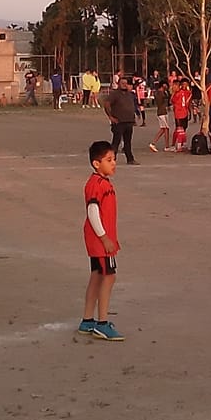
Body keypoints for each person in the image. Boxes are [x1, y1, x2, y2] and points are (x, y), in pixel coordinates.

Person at [79, 139, 125, 341]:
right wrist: (105, 237)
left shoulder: (100, 183)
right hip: (100, 241)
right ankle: (102, 322)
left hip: (96, 239)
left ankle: (87, 320)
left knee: (97, 276)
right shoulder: (97, 185)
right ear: (96, 164)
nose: (113, 163)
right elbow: (92, 211)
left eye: (114, 159)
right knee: (109, 276)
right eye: (109, 160)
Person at [104, 75, 139, 165]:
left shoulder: (129, 94)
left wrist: (134, 117)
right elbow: (107, 104)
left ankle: (130, 159)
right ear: (118, 84)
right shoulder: (115, 94)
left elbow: (132, 106)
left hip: (129, 122)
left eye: (125, 83)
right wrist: (110, 117)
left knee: (128, 142)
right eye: (122, 83)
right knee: (116, 142)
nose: (124, 85)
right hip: (119, 122)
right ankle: (111, 160)